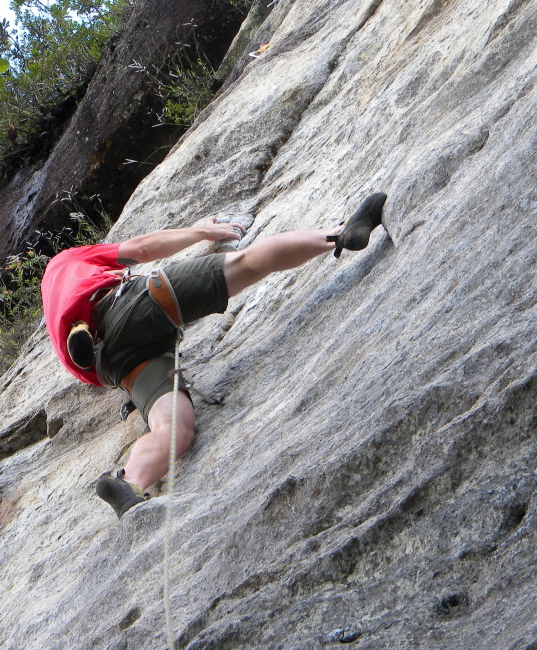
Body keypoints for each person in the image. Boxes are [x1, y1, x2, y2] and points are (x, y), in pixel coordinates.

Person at [40, 192, 387, 518]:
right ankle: (339, 233)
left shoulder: (55, 306)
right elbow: (142, 249)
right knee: (246, 263)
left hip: (113, 364)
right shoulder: (68, 260)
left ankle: (131, 481)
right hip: (126, 305)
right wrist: (201, 231)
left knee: (174, 427)